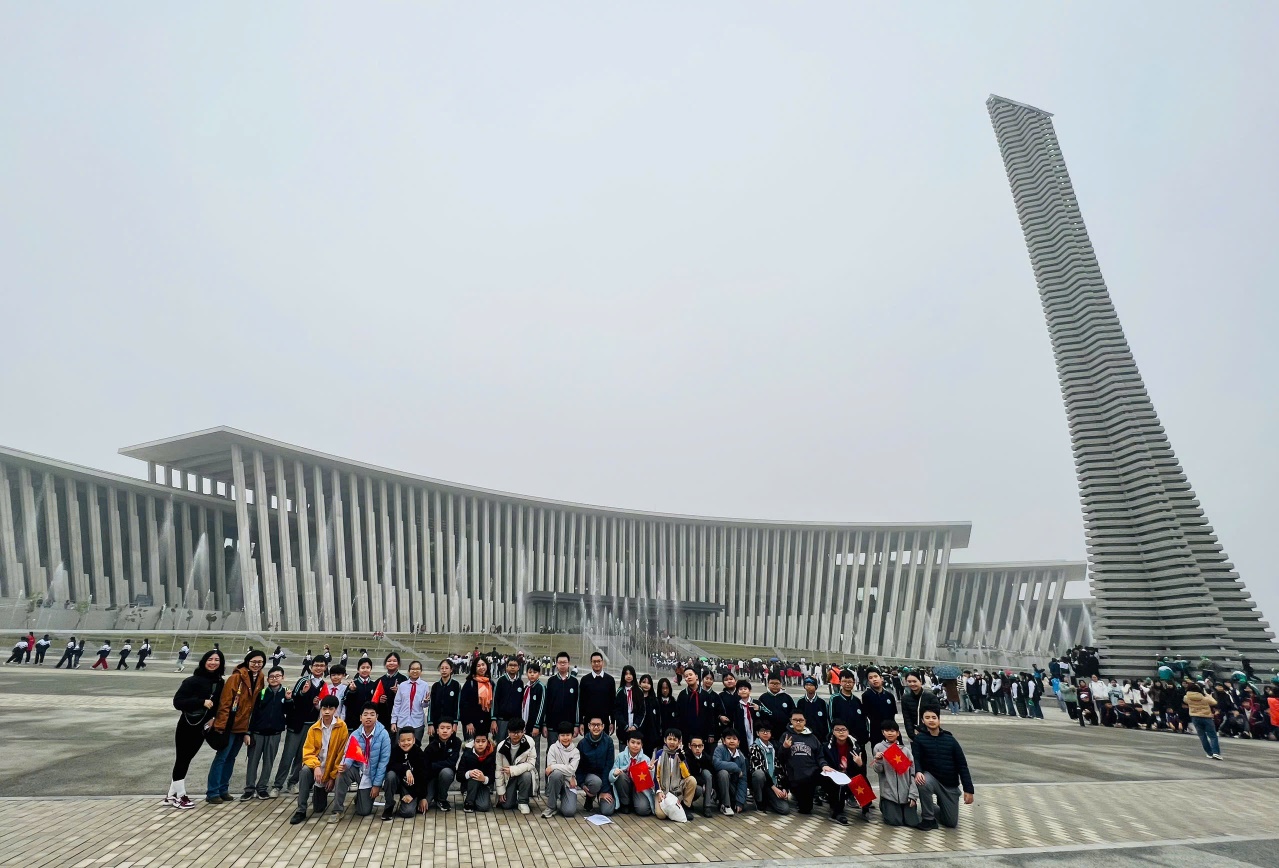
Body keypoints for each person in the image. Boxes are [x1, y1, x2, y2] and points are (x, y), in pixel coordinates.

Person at [165, 649, 224, 809]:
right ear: (204, 661)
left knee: (187, 759)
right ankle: (180, 796)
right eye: (210, 659)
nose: (213, 662)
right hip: (187, 725)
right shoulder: (192, 681)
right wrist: (201, 702)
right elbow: (178, 702)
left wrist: (213, 718)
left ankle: (171, 795)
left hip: (202, 727)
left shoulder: (219, 682)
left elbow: (217, 705)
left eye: (217, 660)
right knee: (182, 759)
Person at [206, 649, 265, 803]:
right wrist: (220, 726)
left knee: (231, 758)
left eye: (260, 662)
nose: (256, 665)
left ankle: (223, 789)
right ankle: (212, 792)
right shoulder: (236, 677)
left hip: (242, 726)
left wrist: (248, 729)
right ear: (247, 661)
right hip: (229, 725)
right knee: (221, 758)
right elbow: (225, 703)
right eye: (254, 662)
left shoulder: (260, 677)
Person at [288, 695, 349, 824]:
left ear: (335, 710)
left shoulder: (342, 727)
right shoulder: (313, 728)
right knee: (304, 771)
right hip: (316, 770)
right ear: (320, 709)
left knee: (319, 807)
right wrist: (315, 766)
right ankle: (301, 810)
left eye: (330, 709)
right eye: (324, 708)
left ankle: (331, 803)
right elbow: (307, 752)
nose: (327, 712)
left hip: (330, 770)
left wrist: (332, 777)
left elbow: (341, 754)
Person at [912, 709, 974, 830]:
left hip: (949, 784)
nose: (931, 720)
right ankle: (928, 819)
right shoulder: (919, 739)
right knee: (922, 782)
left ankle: (933, 807)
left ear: (939, 720)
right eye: (927, 718)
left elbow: (962, 765)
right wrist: (918, 771)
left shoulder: (950, 740)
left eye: (934, 717)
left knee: (950, 822)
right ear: (923, 721)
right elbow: (916, 759)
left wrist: (968, 790)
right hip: (931, 778)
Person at [327, 703, 391, 821]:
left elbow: (383, 763)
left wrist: (376, 785)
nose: (368, 717)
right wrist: (345, 765)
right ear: (361, 717)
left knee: (364, 811)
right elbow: (348, 755)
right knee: (341, 773)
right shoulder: (355, 735)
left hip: (371, 774)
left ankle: (360, 797)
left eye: (372, 714)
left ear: (377, 717)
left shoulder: (384, 735)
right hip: (358, 770)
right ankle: (337, 810)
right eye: (365, 714)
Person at [276, 657, 328, 794]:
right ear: (311, 667)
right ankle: (277, 785)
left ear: (325, 667)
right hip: (297, 724)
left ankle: (293, 782)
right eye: (316, 665)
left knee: (302, 757)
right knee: (288, 756)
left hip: (311, 726)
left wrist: (317, 704)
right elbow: (294, 698)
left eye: (322, 665)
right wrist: (303, 692)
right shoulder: (304, 680)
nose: (319, 668)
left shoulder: (323, 685)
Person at [241, 665, 290, 800]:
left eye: (277, 676)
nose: (274, 679)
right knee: (253, 762)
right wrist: (248, 732)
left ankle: (262, 788)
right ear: (268, 679)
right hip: (258, 733)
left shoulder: (286, 693)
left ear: (282, 677)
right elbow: (254, 714)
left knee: (268, 762)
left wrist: (289, 700)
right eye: (272, 677)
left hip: (274, 734)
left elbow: (289, 711)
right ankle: (249, 789)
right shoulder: (261, 693)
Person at [778, 709, 832, 818]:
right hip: (796, 777)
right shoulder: (786, 736)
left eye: (801, 720)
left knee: (831, 779)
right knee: (805, 810)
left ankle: (835, 807)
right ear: (791, 721)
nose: (798, 722)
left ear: (805, 721)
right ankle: (798, 795)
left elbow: (820, 756)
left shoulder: (812, 737)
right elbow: (780, 758)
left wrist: (824, 765)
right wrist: (785, 748)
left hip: (812, 774)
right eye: (795, 720)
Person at [871, 720, 919, 827]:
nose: (890, 733)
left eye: (893, 731)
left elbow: (912, 773)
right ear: (883, 732)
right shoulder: (878, 748)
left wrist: (913, 795)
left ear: (898, 733)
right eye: (887, 730)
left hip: (906, 794)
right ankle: (885, 806)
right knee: (895, 822)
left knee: (912, 822)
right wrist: (878, 760)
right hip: (889, 794)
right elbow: (878, 770)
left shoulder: (905, 750)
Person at [652, 727, 697, 822]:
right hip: (663, 789)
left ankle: (685, 807)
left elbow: (686, 775)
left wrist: (681, 761)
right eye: (670, 739)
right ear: (665, 740)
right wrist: (659, 791)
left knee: (692, 780)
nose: (672, 742)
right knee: (661, 815)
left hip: (677, 788)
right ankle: (673, 809)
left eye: (675, 740)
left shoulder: (681, 753)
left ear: (679, 741)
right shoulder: (659, 754)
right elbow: (656, 776)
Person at [383, 728, 428, 819]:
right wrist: (406, 770)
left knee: (408, 812)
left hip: (411, 787)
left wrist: (416, 796)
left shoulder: (419, 754)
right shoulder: (395, 751)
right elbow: (390, 766)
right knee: (390, 775)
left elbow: (423, 778)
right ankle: (389, 806)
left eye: (409, 740)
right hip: (397, 783)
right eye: (403, 740)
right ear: (399, 742)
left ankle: (407, 802)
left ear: (414, 740)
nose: (406, 743)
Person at [495, 716, 536, 813]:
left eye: (518, 732)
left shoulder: (530, 742)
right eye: (513, 732)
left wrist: (513, 770)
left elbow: (531, 763)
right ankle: (513, 796)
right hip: (508, 778)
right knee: (507, 805)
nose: (516, 735)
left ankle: (523, 801)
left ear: (523, 731)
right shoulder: (501, 746)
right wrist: (501, 791)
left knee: (527, 775)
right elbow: (499, 770)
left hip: (522, 774)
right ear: (508, 732)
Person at [577, 716, 617, 815]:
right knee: (595, 781)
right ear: (589, 726)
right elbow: (579, 767)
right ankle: (590, 798)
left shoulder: (608, 742)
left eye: (598, 725)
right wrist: (582, 784)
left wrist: (604, 791)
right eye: (593, 725)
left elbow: (608, 766)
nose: (596, 727)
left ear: (603, 726)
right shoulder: (582, 743)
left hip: (605, 778)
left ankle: (601, 795)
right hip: (591, 778)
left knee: (607, 811)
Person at [749, 720, 790, 814]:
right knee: (759, 774)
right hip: (763, 783)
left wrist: (784, 788)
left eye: (767, 731)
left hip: (774, 783)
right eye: (762, 731)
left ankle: (769, 801)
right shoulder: (754, 748)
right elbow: (758, 768)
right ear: (757, 733)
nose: (765, 733)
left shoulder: (774, 747)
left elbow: (781, 769)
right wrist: (774, 788)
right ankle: (759, 800)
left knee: (785, 809)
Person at [541, 721, 581, 818]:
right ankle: (551, 807)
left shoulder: (575, 752)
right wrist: (567, 773)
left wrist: (554, 767)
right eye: (562, 735)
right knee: (556, 774)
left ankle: (564, 797)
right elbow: (551, 770)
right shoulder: (553, 748)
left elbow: (571, 770)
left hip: (569, 783)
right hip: (556, 780)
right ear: (558, 736)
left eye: (568, 735)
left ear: (572, 736)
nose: (565, 738)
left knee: (569, 812)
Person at [609, 728, 653, 816]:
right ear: (627, 743)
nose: (635, 745)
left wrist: (650, 770)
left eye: (638, 743)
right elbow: (610, 777)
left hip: (639, 789)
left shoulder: (646, 759)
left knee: (643, 810)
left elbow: (650, 782)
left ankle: (634, 803)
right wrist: (614, 773)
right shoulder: (620, 756)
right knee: (621, 776)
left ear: (642, 745)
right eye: (632, 742)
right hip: (624, 786)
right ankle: (625, 803)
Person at [422, 719, 462, 811]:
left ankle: (441, 799)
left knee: (446, 772)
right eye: (442, 728)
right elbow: (426, 767)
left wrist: (434, 765)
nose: (445, 731)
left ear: (452, 730)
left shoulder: (456, 742)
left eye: (448, 728)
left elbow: (452, 762)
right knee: (424, 804)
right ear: (437, 730)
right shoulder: (431, 745)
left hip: (446, 774)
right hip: (431, 776)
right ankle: (433, 793)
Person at [457, 732, 497, 812]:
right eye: (477, 741)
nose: (480, 744)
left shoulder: (492, 755)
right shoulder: (467, 754)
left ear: (487, 742)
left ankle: (474, 798)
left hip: (483, 785)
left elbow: (493, 776)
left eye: (483, 741)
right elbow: (459, 775)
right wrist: (469, 773)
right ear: (474, 743)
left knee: (484, 807)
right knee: (475, 775)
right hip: (469, 784)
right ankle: (468, 803)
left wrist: (484, 779)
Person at [712, 729, 749, 815]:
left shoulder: (741, 757)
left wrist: (740, 801)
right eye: (728, 738)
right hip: (719, 784)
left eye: (734, 739)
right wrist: (736, 767)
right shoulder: (719, 750)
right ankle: (725, 805)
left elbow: (743, 780)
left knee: (743, 806)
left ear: (738, 742)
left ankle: (732, 802)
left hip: (733, 787)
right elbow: (716, 764)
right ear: (724, 741)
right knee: (723, 773)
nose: (731, 741)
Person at [392, 660, 430, 744]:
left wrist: (425, 702)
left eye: (417, 669)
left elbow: (424, 705)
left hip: (417, 723)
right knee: (400, 746)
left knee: (416, 747)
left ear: (421, 671)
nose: (415, 671)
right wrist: (393, 721)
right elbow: (397, 704)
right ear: (409, 671)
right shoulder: (402, 685)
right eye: (412, 669)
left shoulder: (424, 685)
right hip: (402, 722)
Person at [579, 652, 616, 734]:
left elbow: (613, 701)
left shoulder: (610, 680)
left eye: (599, 661)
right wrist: (581, 722)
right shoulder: (585, 680)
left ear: (602, 662)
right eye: (594, 661)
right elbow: (581, 702)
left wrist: (613, 722)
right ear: (591, 663)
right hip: (588, 721)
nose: (596, 663)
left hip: (604, 721)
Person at [460, 655, 495, 741]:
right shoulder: (470, 683)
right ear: (474, 668)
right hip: (471, 724)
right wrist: (468, 722)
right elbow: (463, 704)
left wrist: (492, 721)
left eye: (483, 665)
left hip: (485, 723)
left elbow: (493, 705)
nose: (481, 667)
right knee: (470, 746)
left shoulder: (490, 683)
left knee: (483, 746)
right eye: (478, 666)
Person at [1184, 681, 1222, 759]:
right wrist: (1207, 694)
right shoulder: (1204, 698)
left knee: (1202, 736)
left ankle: (1209, 753)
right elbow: (1214, 702)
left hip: (1194, 717)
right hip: (1206, 717)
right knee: (1212, 735)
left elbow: (1185, 700)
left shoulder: (1187, 697)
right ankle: (1215, 752)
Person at [544, 652, 579, 737]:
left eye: (565, 662)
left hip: (569, 725)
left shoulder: (574, 682)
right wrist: (544, 724)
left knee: (567, 745)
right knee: (552, 745)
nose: (562, 664)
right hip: (552, 725)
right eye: (560, 662)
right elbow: (546, 703)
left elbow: (577, 704)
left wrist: (576, 724)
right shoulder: (551, 681)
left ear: (568, 664)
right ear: (556, 664)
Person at [371, 652, 407, 731]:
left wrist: (399, 692)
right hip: (382, 718)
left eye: (394, 661)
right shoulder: (379, 680)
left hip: (399, 718)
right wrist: (380, 700)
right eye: (389, 661)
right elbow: (373, 700)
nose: (391, 663)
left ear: (398, 664)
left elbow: (408, 699)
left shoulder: (404, 680)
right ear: (385, 663)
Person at [901, 673, 942, 741]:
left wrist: (922, 730)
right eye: (909, 682)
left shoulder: (931, 697)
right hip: (914, 733)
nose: (912, 684)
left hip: (930, 732)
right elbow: (907, 718)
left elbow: (936, 717)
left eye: (914, 681)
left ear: (920, 681)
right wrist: (911, 734)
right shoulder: (905, 698)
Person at [493, 657, 525, 744]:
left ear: (518, 667)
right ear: (506, 667)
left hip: (515, 721)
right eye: (510, 665)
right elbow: (495, 701)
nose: (513, 667)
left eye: (515, 665)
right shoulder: (501, 681)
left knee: (514, 744)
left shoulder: (520, 683)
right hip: (502, 720)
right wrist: (493, 720)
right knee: (500, 744)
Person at [684, 735, 716, 816]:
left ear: (703, 746)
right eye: (695, 746)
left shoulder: (707, 758)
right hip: (690, 784)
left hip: (703, 781)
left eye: (700, 746)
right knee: (698, 789)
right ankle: (687, 804)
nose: (697, 748)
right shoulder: (686, 757)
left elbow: (713, 772)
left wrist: (711, 786)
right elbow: (689, 775)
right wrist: (703, 783)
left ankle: (707, 806)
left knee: (707, 773)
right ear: (689, 746)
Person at [428, 659, 461, 736]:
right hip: (436, 723)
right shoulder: (435, 686)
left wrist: (455, 722)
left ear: (451, 670)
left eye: (446, 668)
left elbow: (457, 705)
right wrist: (430, 723)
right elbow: (431, 705)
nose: (444, 670)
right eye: (442, 668)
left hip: (450, 723)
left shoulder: (456, 685)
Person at [344, 658, 378, 731]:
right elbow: (346, 702)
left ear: (371, 669)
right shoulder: (352, 684)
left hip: (370, 721)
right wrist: (352, 691)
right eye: (363, 668)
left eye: (368, 668)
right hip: (354, 722)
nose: (365, 670)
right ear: (358, 669)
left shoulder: (374, 685)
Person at [613, 665, 644, 744]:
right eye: (626, 674)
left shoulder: (639, 691)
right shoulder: (620, 692)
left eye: (630, 674)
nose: (628, 676)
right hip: (623, 730)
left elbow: (642, 711)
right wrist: (625, 725)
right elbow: (617, 711)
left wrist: (635, 725)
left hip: (636, 730)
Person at [797, 677, 830, 745]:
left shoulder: (822, 703)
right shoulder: (800, 702)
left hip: (820, 736)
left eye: (811, 685)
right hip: (805, 735)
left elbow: (827, 720)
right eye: (807, 685)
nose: (809, 687)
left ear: (816, 687)